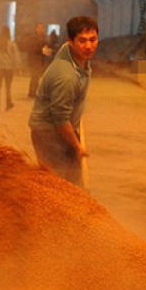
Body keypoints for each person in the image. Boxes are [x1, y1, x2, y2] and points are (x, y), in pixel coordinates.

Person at [28, 15, 98, 188]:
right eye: (82, 41)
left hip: (62, 129)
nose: (88, 46)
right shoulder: (65, 75)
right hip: (49, 134)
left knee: (72, 181)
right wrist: (77, 146)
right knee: (58, 186)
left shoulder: (77, 58)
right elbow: (59, 120)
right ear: (71, 41)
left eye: (93, 39)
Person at [0, 26, 20, 112]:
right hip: (8, 67)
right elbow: (16, 56)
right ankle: (8, 103)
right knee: (8, 87)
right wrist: (17, 66)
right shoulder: (11, 44)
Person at [24, 22, 49, 98]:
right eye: (39, 28)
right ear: (36, 28)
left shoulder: (43, 37)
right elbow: (32, 48)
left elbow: (45, 45)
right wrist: (41, 50)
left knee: (36, 77)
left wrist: (46, 49)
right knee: (34, 76)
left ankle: (34, 92)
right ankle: (32, 93)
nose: (41, 29)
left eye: (42, 28)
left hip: (40, 59)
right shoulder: (33, 37)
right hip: (34, 59)